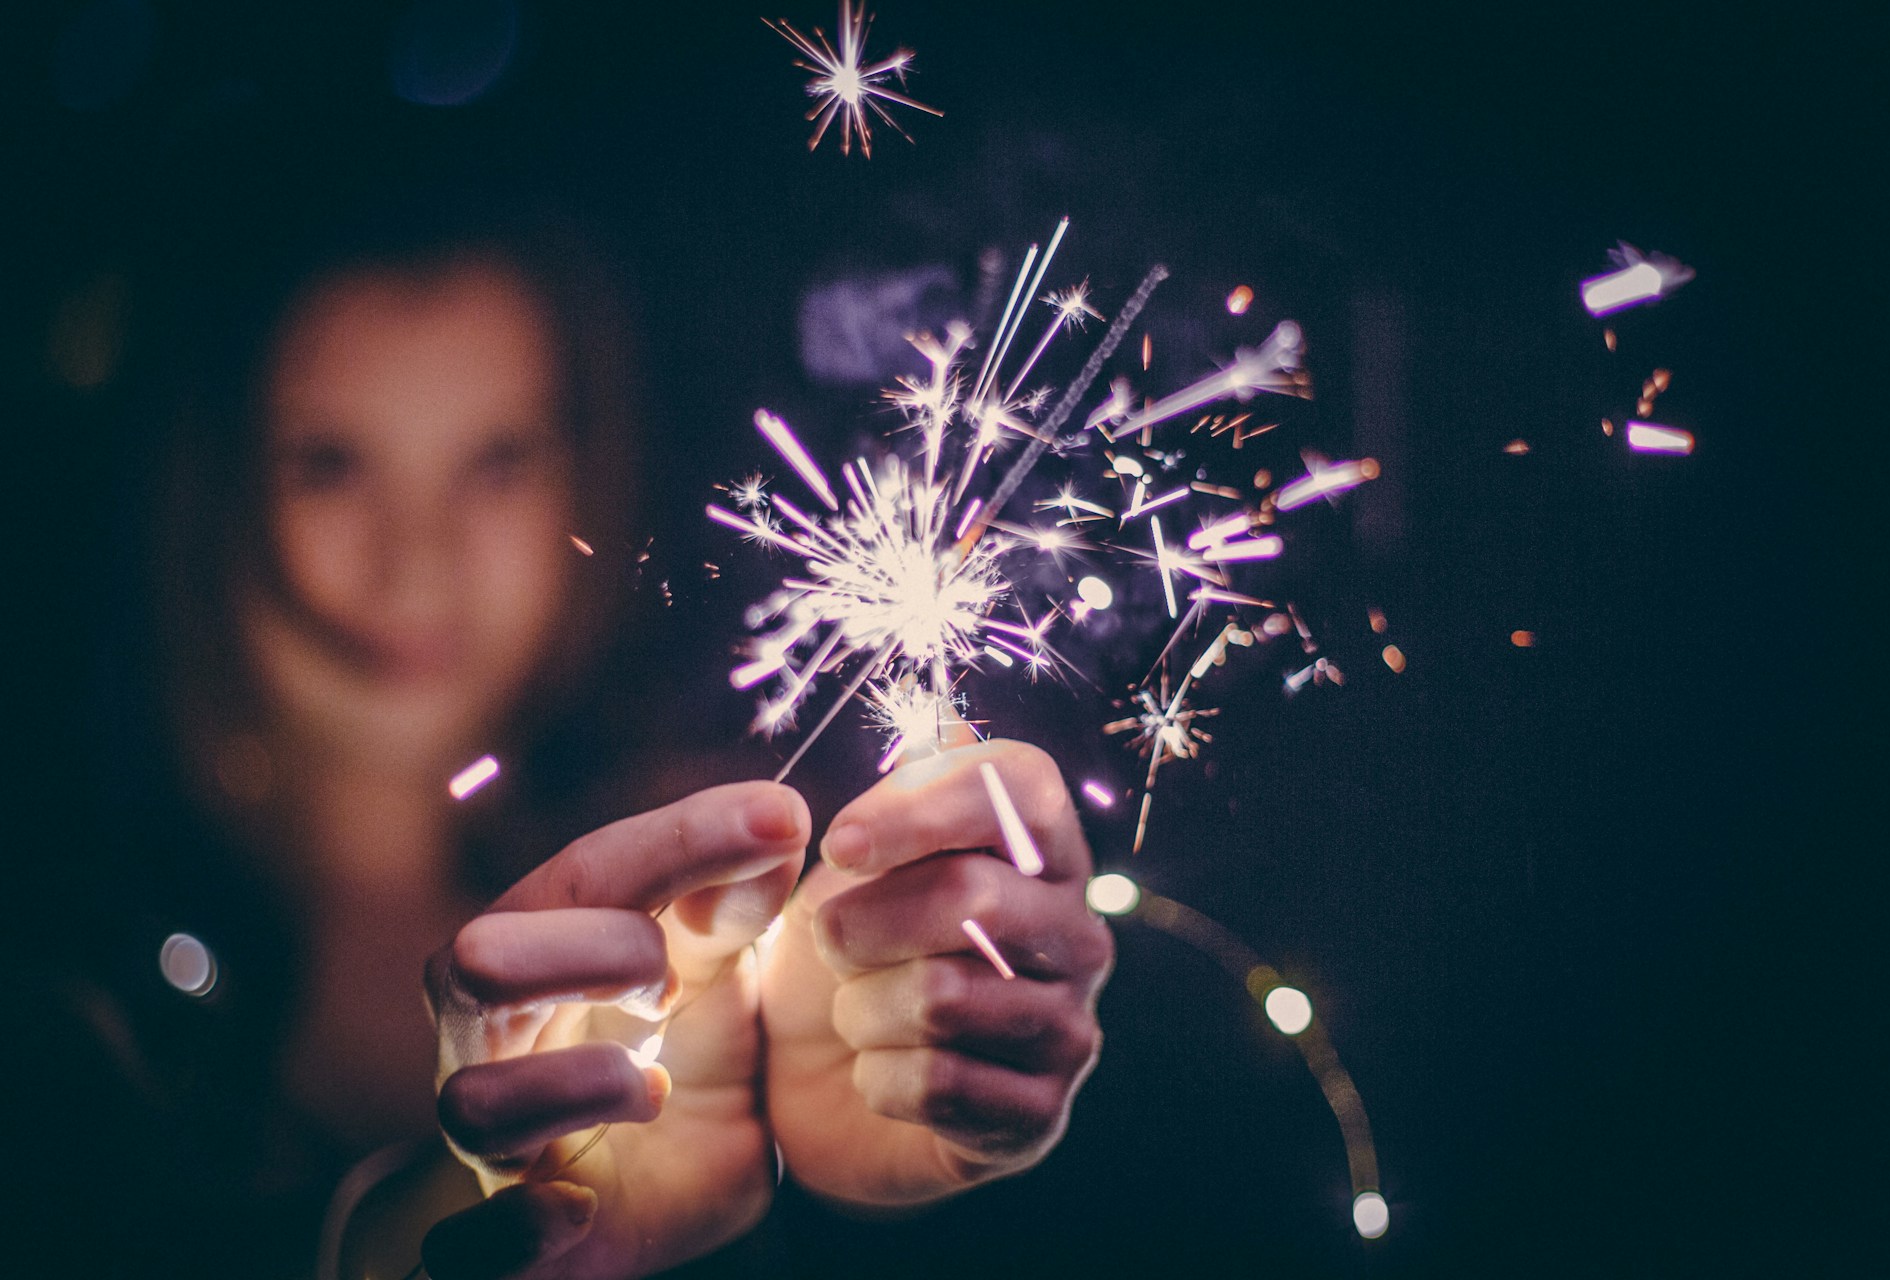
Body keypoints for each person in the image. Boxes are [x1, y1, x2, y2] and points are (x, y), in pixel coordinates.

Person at [30, 193, 1111, 1278]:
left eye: (496, 460)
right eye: (330, 463)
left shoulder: (718, 915)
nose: (419, 565)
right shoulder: (58, 951)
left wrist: (887, 1135)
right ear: (210, 481)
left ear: (584, 471)